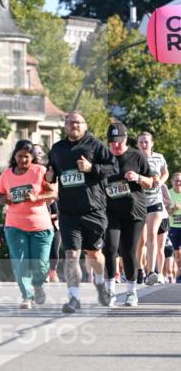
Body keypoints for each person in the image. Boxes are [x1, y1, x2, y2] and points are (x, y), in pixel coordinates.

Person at [46, 111, 118, 313]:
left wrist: (91, 168)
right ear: (65, 126)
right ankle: (74, 298)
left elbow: (114, 168)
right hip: (68, 212)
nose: (74, 126)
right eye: (70, 122)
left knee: (94, 254)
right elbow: (52, 173)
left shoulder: (95, 145)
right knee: (71, 255)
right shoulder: (57, 148)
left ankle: (102, 283)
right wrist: (49, 177)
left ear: (84, 126)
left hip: (93, 210)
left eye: (78, 123)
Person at [0, 139, 56, 309]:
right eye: (20, 156)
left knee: (40, 263)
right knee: (20, 262)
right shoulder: (7, 174)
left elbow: (54, 193)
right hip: (15, 225)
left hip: (40, 226)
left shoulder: (40, 171)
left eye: (27, 157)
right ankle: (26, 296)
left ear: (32, 158)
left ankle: (38, 286)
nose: (23, 160)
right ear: (14, 156)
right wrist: (3, 199)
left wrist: (37, 197)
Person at [102, 122, 153, 308]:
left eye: (119, 141)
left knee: (128, 251)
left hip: (134, 211)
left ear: (126, 139)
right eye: (112, 142)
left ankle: (131, 292)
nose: (116, 145)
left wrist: (138, 178)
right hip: (110, 211)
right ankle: (109, 291)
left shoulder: (136, 156)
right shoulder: (104, 158)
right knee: (109, 248)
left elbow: (152, 182)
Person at [136, 132, 169, 285]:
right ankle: (140, 269)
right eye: (141, 142)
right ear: (137, 144)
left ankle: (151, 272)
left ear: (152, 143)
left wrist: (160, 181)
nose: (144, 144)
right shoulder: (134, 158)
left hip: (155, 201)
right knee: (140, 241)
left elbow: (165, 172)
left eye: (146, 142)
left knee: (152, 236)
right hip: (139, 202)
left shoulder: (159, 157)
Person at [165, 171, 181, 281]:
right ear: (172, 181)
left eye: (180, 181)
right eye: (176, 180)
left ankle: (179, 274)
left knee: (180, 251)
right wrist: (173, 209)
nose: (178, 182)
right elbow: (166, 212)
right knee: (176, 252)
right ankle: (175, 273)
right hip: (173, 227)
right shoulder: (169, 193)